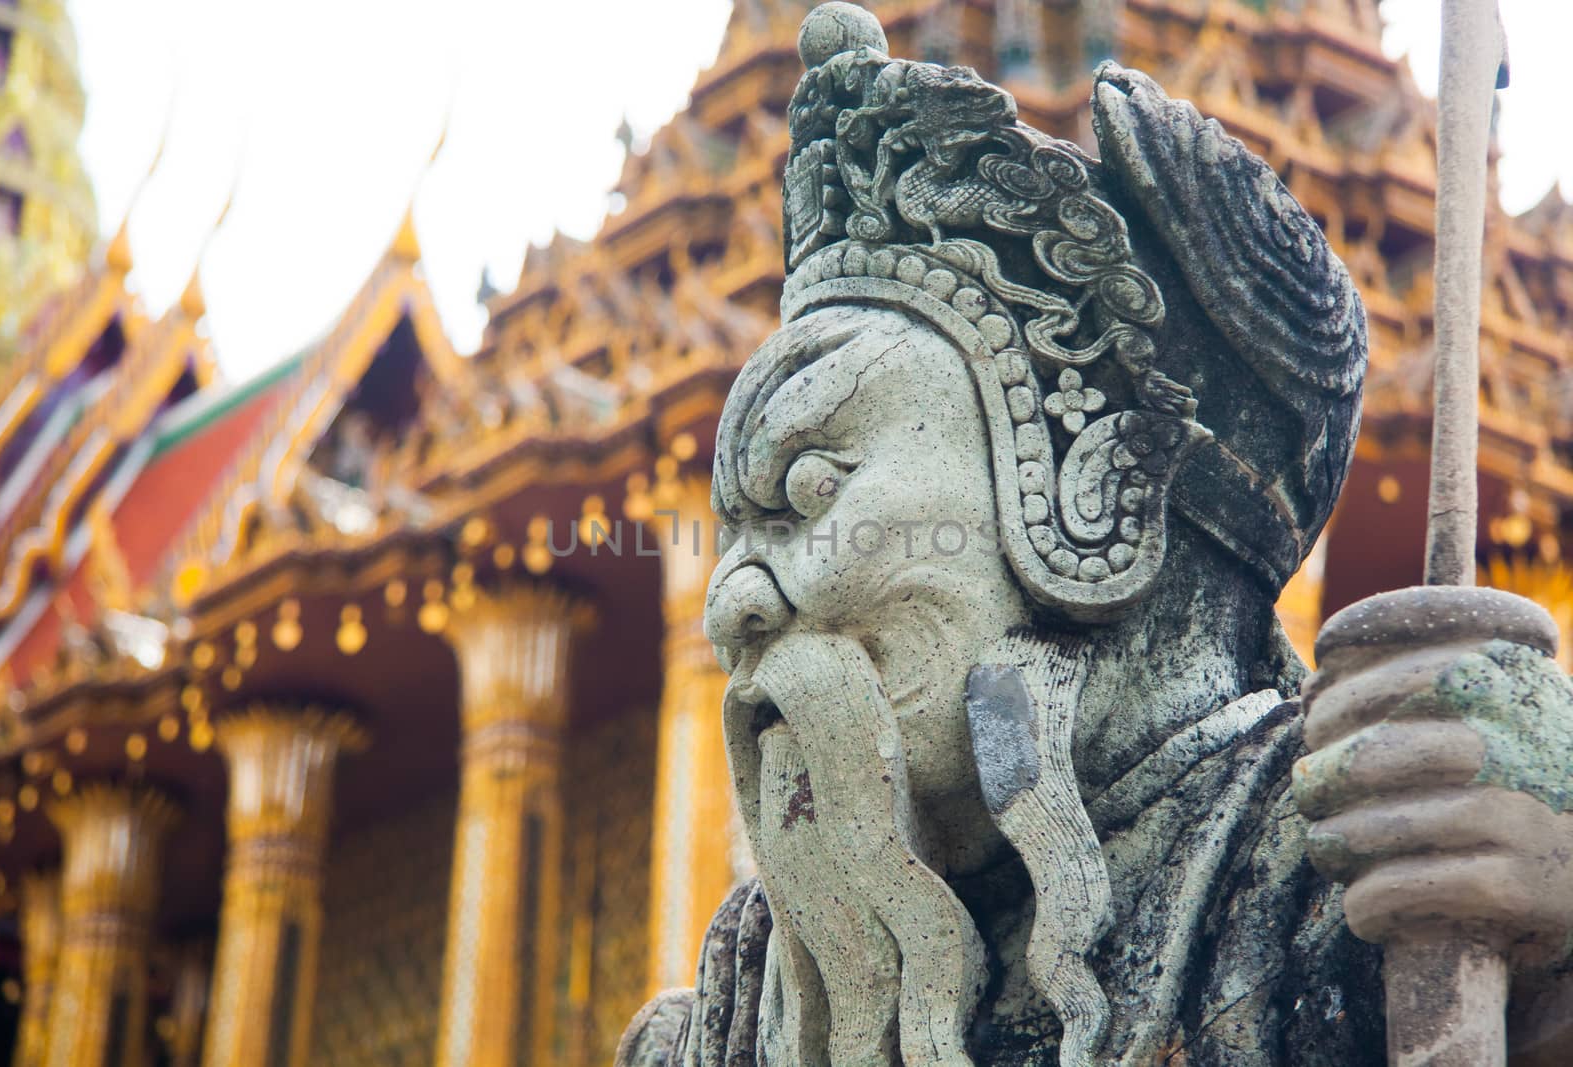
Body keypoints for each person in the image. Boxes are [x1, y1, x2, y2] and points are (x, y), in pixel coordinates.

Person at [618, 5, 1573, 1064]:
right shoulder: (735, 1019)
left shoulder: (1361, 882)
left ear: (1090, 488)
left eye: (808, 488)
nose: (730, 600)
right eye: (733, 530)